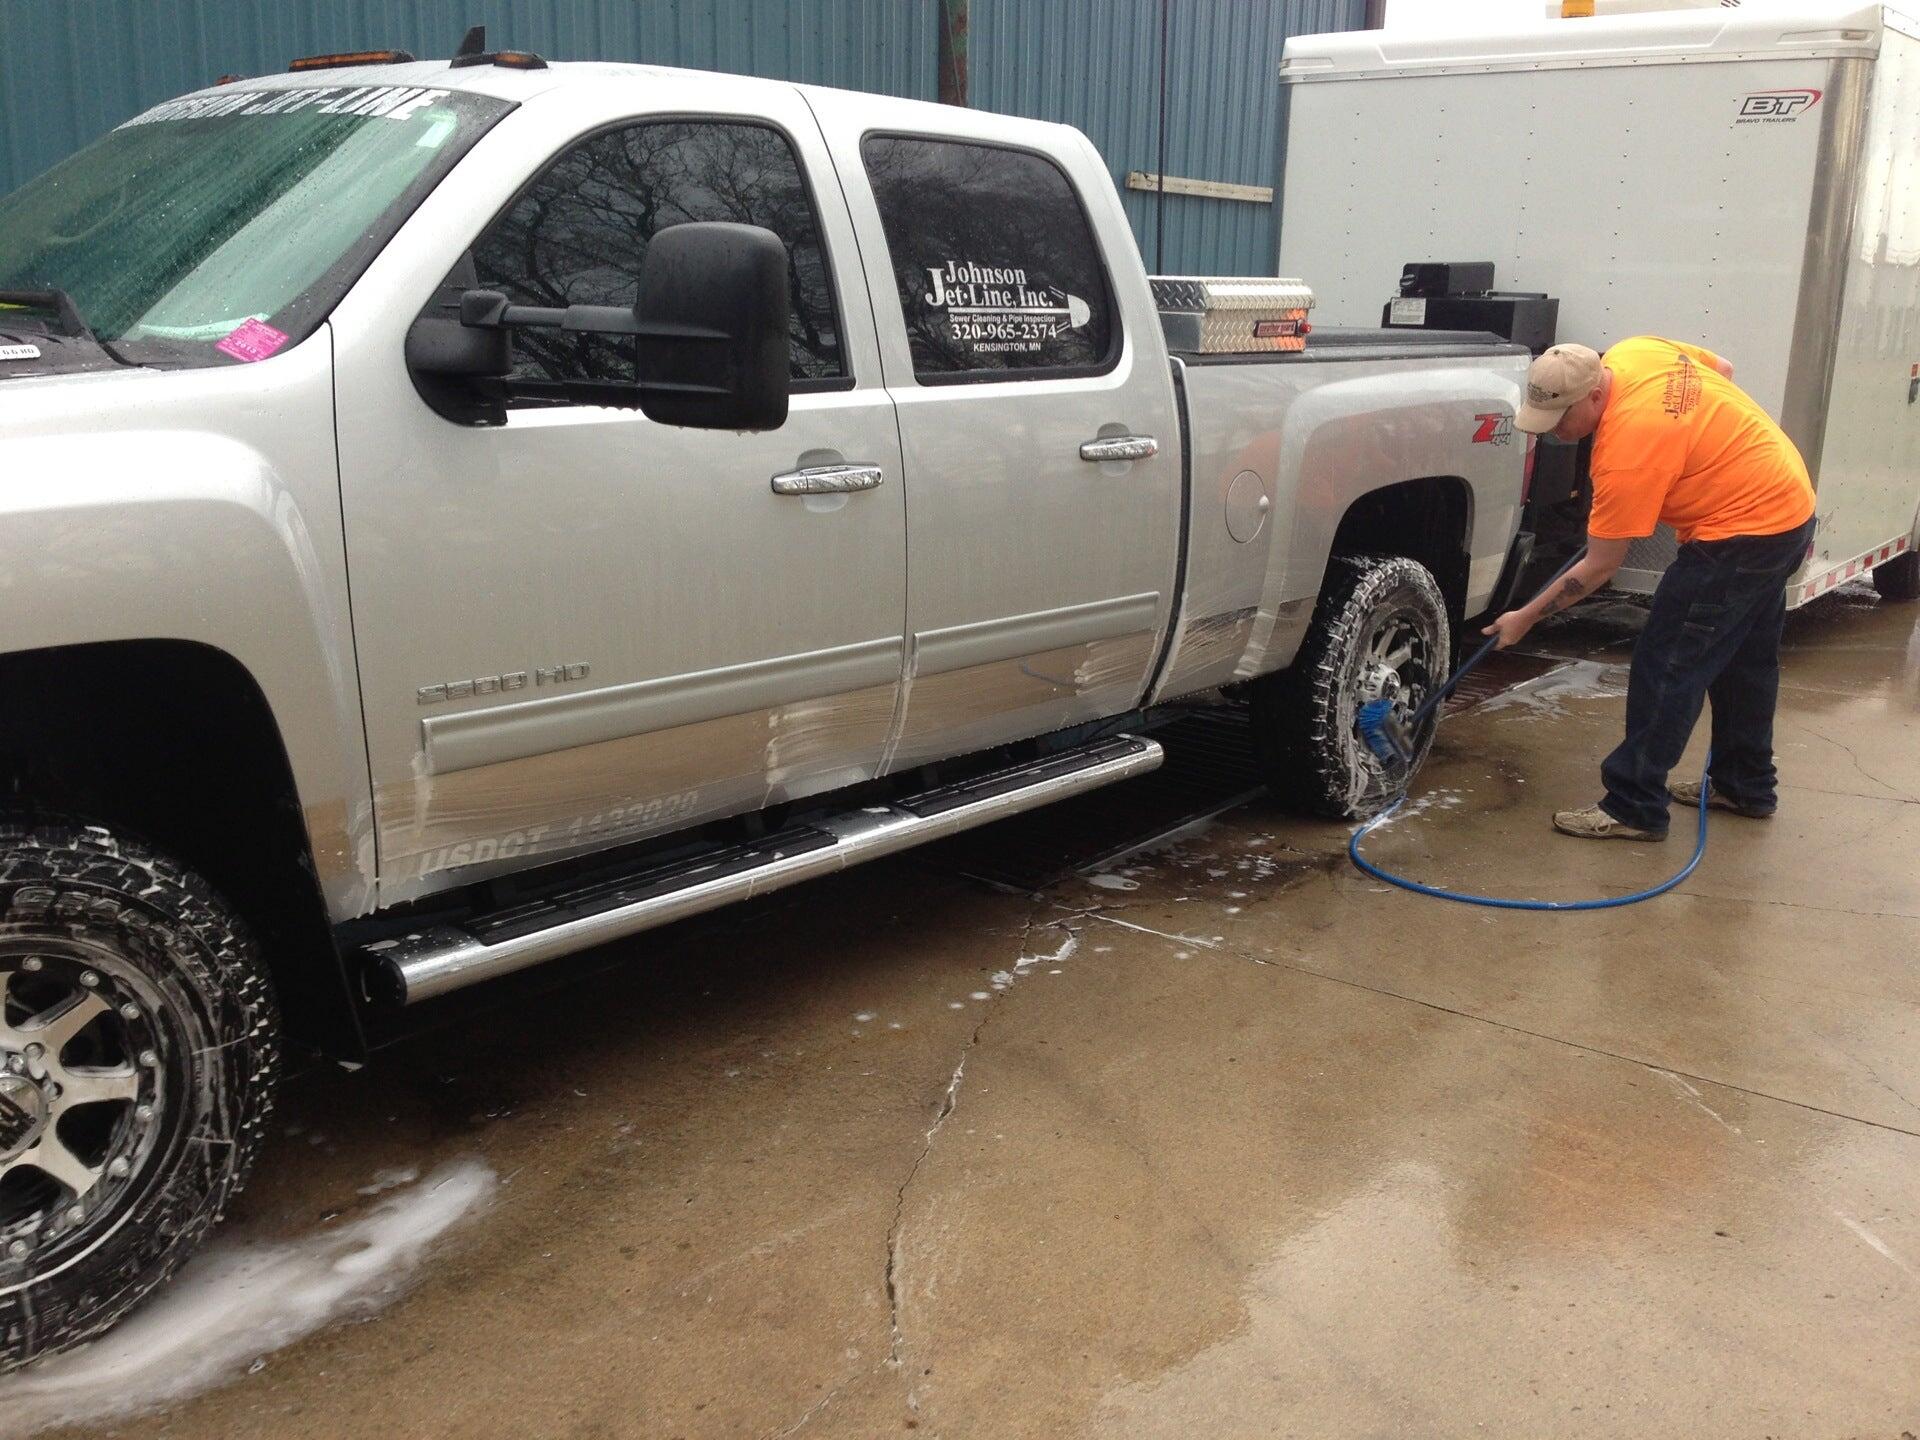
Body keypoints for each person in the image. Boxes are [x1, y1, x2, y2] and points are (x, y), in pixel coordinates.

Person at [1483, 338, 1816, 840]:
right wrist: (1695, 445)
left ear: (1595, 395)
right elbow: (1723, 366)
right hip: (1788, 507)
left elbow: (1600, 567)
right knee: (1744, 662)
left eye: (1561, 418)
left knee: (1668, 666)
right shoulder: (1635, 352)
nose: (1554, 432)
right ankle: (1745, 785)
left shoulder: (1627, 452)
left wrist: (1524, 617)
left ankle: (1633, 806)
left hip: (1737, 537)